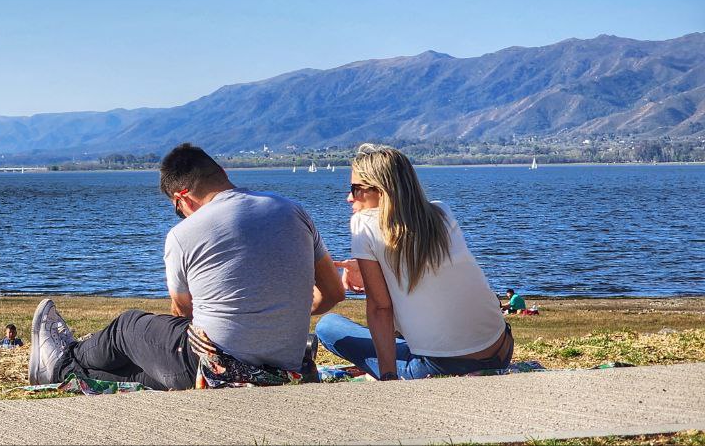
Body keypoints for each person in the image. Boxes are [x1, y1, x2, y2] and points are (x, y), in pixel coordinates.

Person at [28, 143, 343, 390]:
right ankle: (75, 372)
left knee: (127, 328)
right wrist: (283, 314)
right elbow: (333, 293)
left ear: (182, 198)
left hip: (213, 367)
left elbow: (184, 314)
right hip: (282, 364)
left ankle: (63, 361)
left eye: (176, 208)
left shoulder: (184, 234)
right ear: (221, 170)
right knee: (144, 373)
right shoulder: (293, 211)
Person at [315, 144, 514, 380]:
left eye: (356, 189)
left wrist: (389, 376)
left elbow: (381, 308)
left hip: (439, 367)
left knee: (327, 326)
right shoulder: (441, 213)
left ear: (381, 190)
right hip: (501, 348)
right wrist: (369, 269)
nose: (349, 198)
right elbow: (430, 273)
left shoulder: (363, 225)